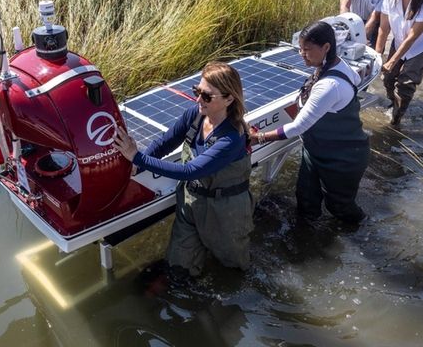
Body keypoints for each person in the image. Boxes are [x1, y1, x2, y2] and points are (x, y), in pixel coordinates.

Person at [113, 62, 253, 277]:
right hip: (190, 202)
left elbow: (190, 171)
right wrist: (136, 164)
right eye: (197, 91)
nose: (198, 100)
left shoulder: (232, 137)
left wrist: (136, 156)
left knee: (232, 270)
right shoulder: (195, 114)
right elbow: (165, 142)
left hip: (225, 211)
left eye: (207, 96)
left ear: (229, 99)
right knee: (178, 269)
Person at [250, 21, 369, 225]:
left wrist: (258, 138)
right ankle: (306, 241)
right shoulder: (332, 64)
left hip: (343, 158)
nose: (302, 55)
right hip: (315, 152)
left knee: (339, 207)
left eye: (307, 50)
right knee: (306, 201)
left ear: (326, 47)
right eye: (300, 49)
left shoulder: (329, 85)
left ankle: (362, 232)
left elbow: (298, 127)